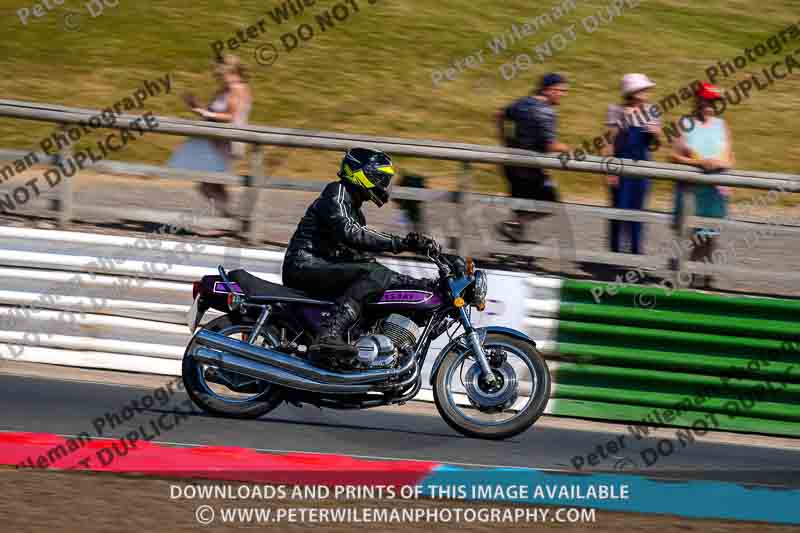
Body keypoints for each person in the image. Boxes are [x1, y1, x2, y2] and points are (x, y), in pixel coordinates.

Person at [282, 148, 438, 366]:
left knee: (374, 273)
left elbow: (365, 260)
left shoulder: (355, 211)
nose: (383, 185)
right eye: (380, 178)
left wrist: (419, 284)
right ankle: (329, 334)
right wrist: (400, 243)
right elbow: (351, 233)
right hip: (304, 265)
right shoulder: (336, 193)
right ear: (360, 173)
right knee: (371, 272)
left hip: (324, 266)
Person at [169, 54, 252, 223]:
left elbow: (230, 116)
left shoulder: (239, 89)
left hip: (228, 141)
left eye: (220, 74)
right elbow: (212, 114)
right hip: (215, 140)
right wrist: (196, 107)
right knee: (211, 184)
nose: (217, 76)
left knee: (209, 184)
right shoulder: (224, 90)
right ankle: (233, 221)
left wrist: (206, 113)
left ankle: (232, 221)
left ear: (231, 71)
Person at [670, 82, 735, 288]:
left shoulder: (721, 125)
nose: (710, 105)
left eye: (714, 101)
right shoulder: (685, 123)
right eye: (707, 100)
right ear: (697, 100)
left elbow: (731, 157)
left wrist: (721, 164)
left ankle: (704, 280)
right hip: (691, 188)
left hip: (715, 189)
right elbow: (673, 156)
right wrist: (700, 163)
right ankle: (682, 279)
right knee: (687, 234)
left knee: (709, 236)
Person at [496, 73, 570, 243]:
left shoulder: (522, 103)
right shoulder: (547, 112)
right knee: (552, 205)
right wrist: (567, 148)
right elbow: (550, 145)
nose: (563, 95)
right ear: (549, 90)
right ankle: (514, 224)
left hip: (511, 164)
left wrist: (504, 140)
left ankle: (512, 244)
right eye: (561, 90)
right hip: (531, 168)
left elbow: (499, 114)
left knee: (520, 207)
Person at [604, 73, 663, 255]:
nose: (647, 92)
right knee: (619, 209)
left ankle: (636, 253)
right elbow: (608, 142)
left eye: (647, 88)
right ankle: (615, 254)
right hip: (620, 166)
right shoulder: (616, 110)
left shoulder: (652, 111)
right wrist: (610, 171)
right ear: (632, 91)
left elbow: (656, 145)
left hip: (642, 167)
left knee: (639, 210)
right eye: (643, 88)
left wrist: (656, 133)